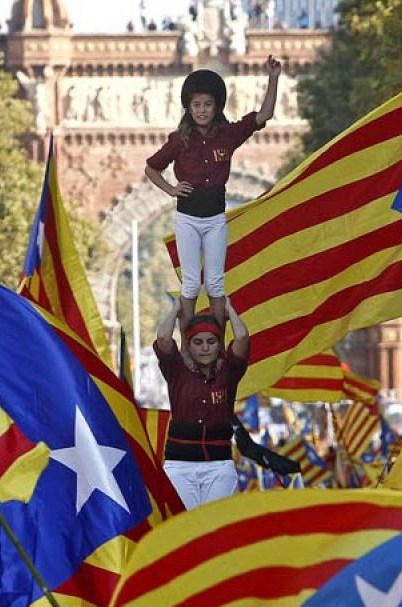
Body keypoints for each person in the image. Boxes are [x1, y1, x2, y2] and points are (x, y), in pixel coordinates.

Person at [144, 56, 282, 323]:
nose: (202, 110)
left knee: (216, 284)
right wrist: (171, 189)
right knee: (191, 284)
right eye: (196, 105)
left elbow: (263, 115)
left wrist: (273, 78)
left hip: (216, 219)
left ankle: (216, 340)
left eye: (208, 105)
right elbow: (151, 168)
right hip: (187, 218)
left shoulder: (227, 135)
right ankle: (187, 342)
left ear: (217, 107)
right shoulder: (179, 139)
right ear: (188, 107)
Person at [155, 294, 251, 508]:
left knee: (215, 530)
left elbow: (242, 337)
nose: (205, 348)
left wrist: (229, 311)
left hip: (219, 467)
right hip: (180, 467)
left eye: (211, 341)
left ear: (219, 345)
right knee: (185, 528)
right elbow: (163, 338)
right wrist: (176, 310)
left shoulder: (229, 371)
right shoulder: (176, 371)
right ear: (189, 346)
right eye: (198, 342)